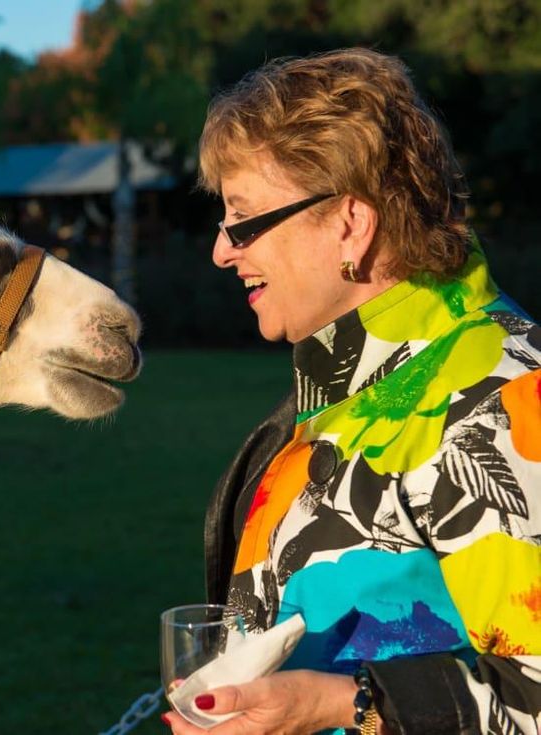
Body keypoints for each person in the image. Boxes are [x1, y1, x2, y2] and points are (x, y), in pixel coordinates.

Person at [162, 48, 540, 734]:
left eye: (243, 220)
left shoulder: (501, 399)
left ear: (349, 223)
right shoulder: (349, 382)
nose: (222, 249)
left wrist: (343, 706)